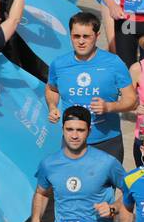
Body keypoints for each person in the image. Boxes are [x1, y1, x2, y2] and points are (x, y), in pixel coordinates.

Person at [30, 108, 129, 222]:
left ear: (89, 131)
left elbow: (130, 192)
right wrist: (36, 221)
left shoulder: (107, 163)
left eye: (80, 130)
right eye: (70, 129)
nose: (74, 135)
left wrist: (113, 207)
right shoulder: (49, 163)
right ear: (62, 130)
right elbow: (41, 193)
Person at [46, 11, 138, 163]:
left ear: (97, 35)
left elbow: (132, 100)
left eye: (86, 36)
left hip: (107, 141)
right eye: (76, 36)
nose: (81, 41)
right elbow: (51, 89)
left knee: (107, 187)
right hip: (72, 141)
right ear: (70, 36)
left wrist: (109, 107)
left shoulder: (113, 63)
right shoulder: (59, 64)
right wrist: (52, 106)